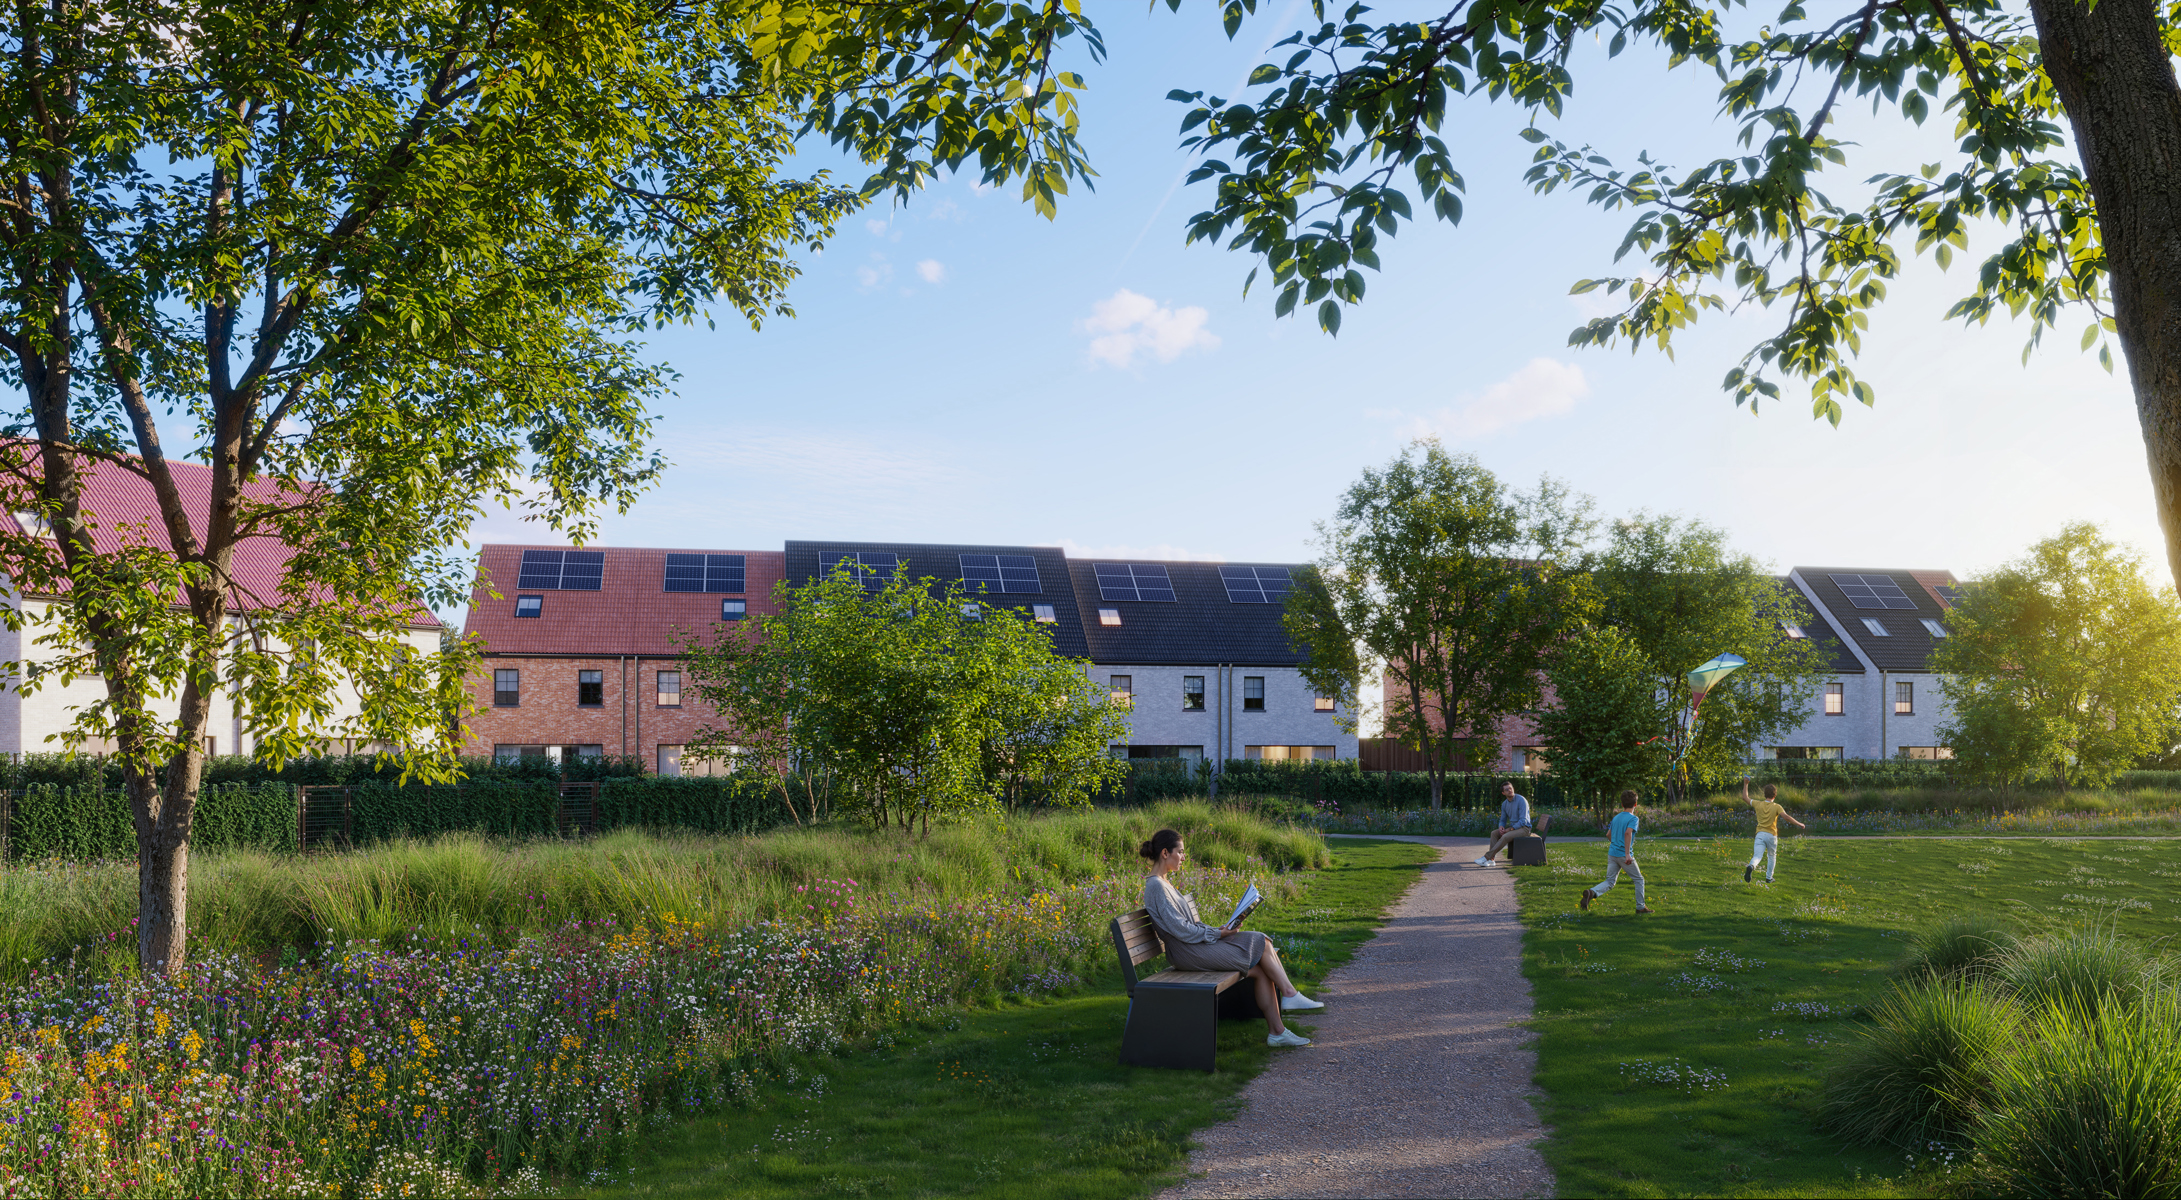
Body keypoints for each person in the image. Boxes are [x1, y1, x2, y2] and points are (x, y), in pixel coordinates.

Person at [1139, 828, 1322, 1047]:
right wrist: (1217, 934)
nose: (1184, 857)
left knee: (1261, 965)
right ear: (1165, 853)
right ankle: (1290, 994)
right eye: (1181, 852)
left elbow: (1184, 926)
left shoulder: (1164, 882)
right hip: (1187, 952)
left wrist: (1218, 930)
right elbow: (1181, 930)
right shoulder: (1156, 887)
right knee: (1260, 942)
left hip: (1191, 946)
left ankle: (1277, 1032)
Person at [1579, 791, 1652, 914]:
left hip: (1612, 853)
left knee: (1610, 881)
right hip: (1624, 855)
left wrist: (1616, 845)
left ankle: (1592, 892)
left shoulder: (1616, 817)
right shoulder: (1633, 818)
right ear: (1635, 804)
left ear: (1622, 804)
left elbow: (1608, 834)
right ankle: (1640, 907)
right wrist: (1627, 853)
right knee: (1639, 880)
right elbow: (1628, 833)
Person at [1741, 776, 1807, 883]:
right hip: (1771, 835)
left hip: (1760, 834)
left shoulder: (1758, 804)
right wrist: (1799, 824)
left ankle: (1751, 866)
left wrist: (1746, 783)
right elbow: (1786, 817)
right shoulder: (1777, 806)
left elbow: (1745, 797)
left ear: (1764, 794)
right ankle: (1769, 878)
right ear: (1775, 795)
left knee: (1757, 855)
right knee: (1771, 856)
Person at [1474, 780, 1533, 866]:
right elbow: (1503, 819)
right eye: (1507, 789)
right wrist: (1501, 827)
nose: (1510, 790)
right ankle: (1491, 860)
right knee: (1494, 833)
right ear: (1503, 793)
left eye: (1511, 788)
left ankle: (1486, 857)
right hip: (1513, 828)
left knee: (1505, 836)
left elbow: (1523, 820)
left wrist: (1510, 829)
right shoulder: (1504, 804)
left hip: (1524, 829)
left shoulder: (1521, 800)